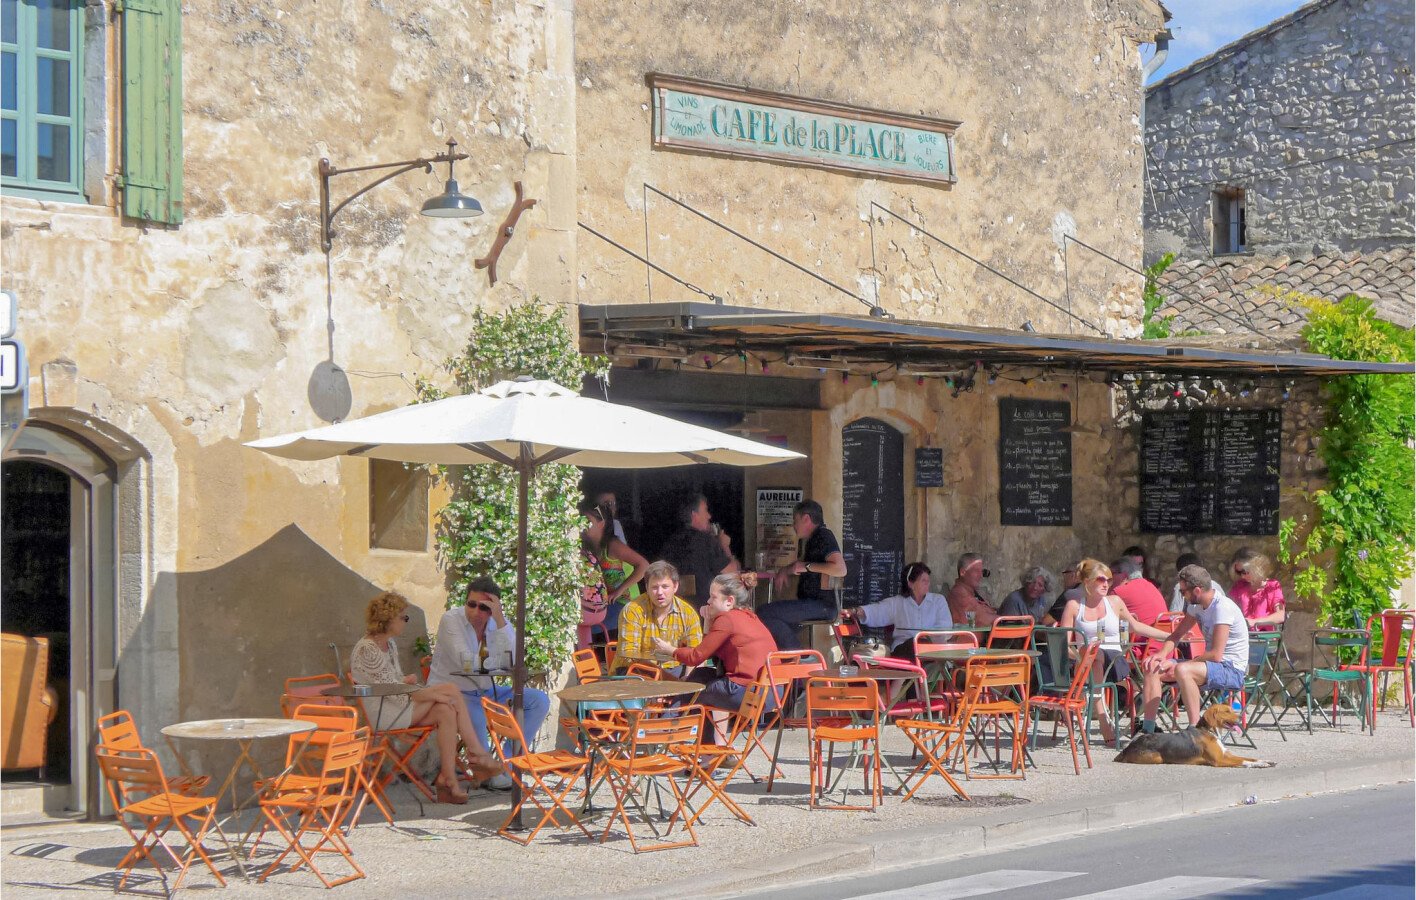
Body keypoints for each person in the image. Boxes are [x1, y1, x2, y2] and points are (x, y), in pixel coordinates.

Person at [351, 590, 501, 804]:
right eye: (403, 617)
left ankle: (448, 780)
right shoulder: (368, 648)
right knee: (450, 690)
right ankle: (478, 755)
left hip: (399, 705)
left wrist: (406, 681)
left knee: (446, 710)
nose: (406, 622)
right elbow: (391, 690)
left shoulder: (389, 644)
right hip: (385, 714)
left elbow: (390, 683)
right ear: (388, 618)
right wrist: (426, 692)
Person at [427, 576, 551, 791]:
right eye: (471, 604)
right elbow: (464, 662)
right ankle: (486, 773)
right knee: (475, 713)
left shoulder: (496, 622)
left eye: (483, 607)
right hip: (454, 693)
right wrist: (498, 662)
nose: (476, 611)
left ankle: (508, 765)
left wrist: (501, 619)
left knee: (538, 700)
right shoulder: (451, 619)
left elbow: (513, 657)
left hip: (485, 691)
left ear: (493, 608)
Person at [654, 574, 778, 740]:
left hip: (747, 694)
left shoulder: (727, 619)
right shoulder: (749, 616)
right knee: (701, 675)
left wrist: (670, 650)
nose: (708, 601)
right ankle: (707, 756)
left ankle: (661, 732)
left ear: (729, 601)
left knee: (695, 691)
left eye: (713, 597)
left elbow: (696, 656)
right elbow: (708, 650)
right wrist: (708, 619)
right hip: (771, 695)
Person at [1060, 559, 1170, 744]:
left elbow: (1135, 626)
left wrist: (1170, 636)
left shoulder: (1114, 602)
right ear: (1087, 581)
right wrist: (1081, 656)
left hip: (1114, 660)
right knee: (1091, 653)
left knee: (1094, 653)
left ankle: (1101, 719)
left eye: (1109, 580)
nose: (1106, 584)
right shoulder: (1074, 606)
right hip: (1083, 661)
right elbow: (1062, 644)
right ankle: (1102, 719)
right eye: (1101, 580)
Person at [1139, 564, 1250, 733]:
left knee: (1183, 670)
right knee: (1153, 667)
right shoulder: (1196, 606)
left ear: (1197, 590)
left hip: (1231, 668)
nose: (1182, 596)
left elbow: (1216, 655)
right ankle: (1148, 728)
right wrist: (1161, 655)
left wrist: (1180, 665)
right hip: (1209, 666)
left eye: (1183, 592)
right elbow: (1176, 636)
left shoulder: (1222, 608)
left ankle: (1196, 729)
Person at [756, 499, 848, 651]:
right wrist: (785, 570)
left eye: (795, 520)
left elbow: (840, 569)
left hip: (823, 606)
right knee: (773, 633)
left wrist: (807, 567)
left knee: (764, 613)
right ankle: (791, 666)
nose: (793, 525)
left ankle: (800, 659)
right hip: (814, 604)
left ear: (806, 518)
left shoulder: (823, 536)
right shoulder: (812, 540)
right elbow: (800, 566)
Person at [844, 562, 954, 658]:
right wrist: (854, 611)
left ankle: (900, 682)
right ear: (911, 583)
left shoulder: (938, 601)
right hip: (904, 649)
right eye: (923, 580)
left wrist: (929, 639)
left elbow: (946, 627)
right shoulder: (897, 603)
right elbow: (877, 610)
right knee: (914, 644)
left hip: (932, 650)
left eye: (928, 580)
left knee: (926, 648)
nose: (927, 583)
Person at [613, 560, 703, 675]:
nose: (660, 592)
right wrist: (660, 677)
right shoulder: (633, 610)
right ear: (647, 588)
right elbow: (629, 655)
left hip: (674, 670)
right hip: (636, 670)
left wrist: (687, 679)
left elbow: (695, 653)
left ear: (675, 586)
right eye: (654, 587)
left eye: (665, 586)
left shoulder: (688, 613)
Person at [583, 497, 649, 641]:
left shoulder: (612, 545)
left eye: (588, 522)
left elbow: (643, 565)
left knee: (592, 625)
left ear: (601, 523)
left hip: (621, 602)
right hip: (603, 603)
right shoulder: (586, 546)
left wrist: (619, 591)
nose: (583, 526)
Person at [659, 494, 741, 605]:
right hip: (706, 609)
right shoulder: (707, 541)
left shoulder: (669, 543)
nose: (709, 516)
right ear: (694, 515)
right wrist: (724, 545)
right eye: (706, 511)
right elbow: (732, 573)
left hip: (677, 608)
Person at [576, 502, 613, 649]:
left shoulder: (578, 553)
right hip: (600, 611)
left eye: (587, 522)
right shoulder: (591, 553)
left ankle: (582, 659)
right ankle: (587, 658)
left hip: (585, 612)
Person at [1229, 548, 1286, 632]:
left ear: (1255, 568)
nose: (1242, 576)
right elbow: (1228, 608)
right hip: (1244, 637)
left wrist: (1254, 622)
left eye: (1244, 572)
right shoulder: (1239, 586)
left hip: (1265, 638)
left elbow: (1280, 615)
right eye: (1238, 572)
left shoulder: (1272, 586)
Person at [1110, 557, 1168, 627]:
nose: (1109, 578)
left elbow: (1105, 617)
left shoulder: (1118, 592)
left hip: (1143, 636)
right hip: (1164, 633)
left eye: (1112, 574)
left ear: (1124, 575)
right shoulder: (1150, 585)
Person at [946, 553, 998, 627]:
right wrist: (1007, 618)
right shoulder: (959, 593)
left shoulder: (971, 592)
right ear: (962, 572)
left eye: (981, 571)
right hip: (969, 638)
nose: (980, 576)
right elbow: (981, 619)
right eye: (976, 571)